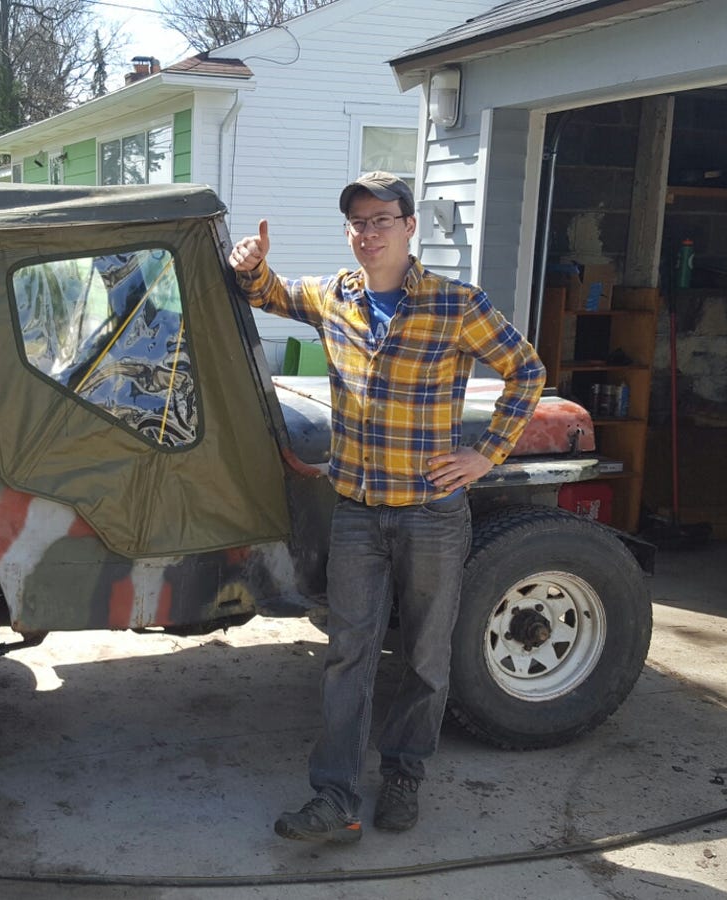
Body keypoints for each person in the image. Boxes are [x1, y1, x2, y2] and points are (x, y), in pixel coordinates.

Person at [228, 172, 544, 843]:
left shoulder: (457, 304)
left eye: (379, 220)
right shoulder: (334, 296)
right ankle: (334, 796)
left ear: (408, 227)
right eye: (357, 223)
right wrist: (251, 267)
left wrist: (487, 453)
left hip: (431, 513)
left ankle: (404, 774)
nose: (366, 234)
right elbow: (272, 293)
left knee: (426, 655)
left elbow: (527, 370)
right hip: (358, 515)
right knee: (349, 652)